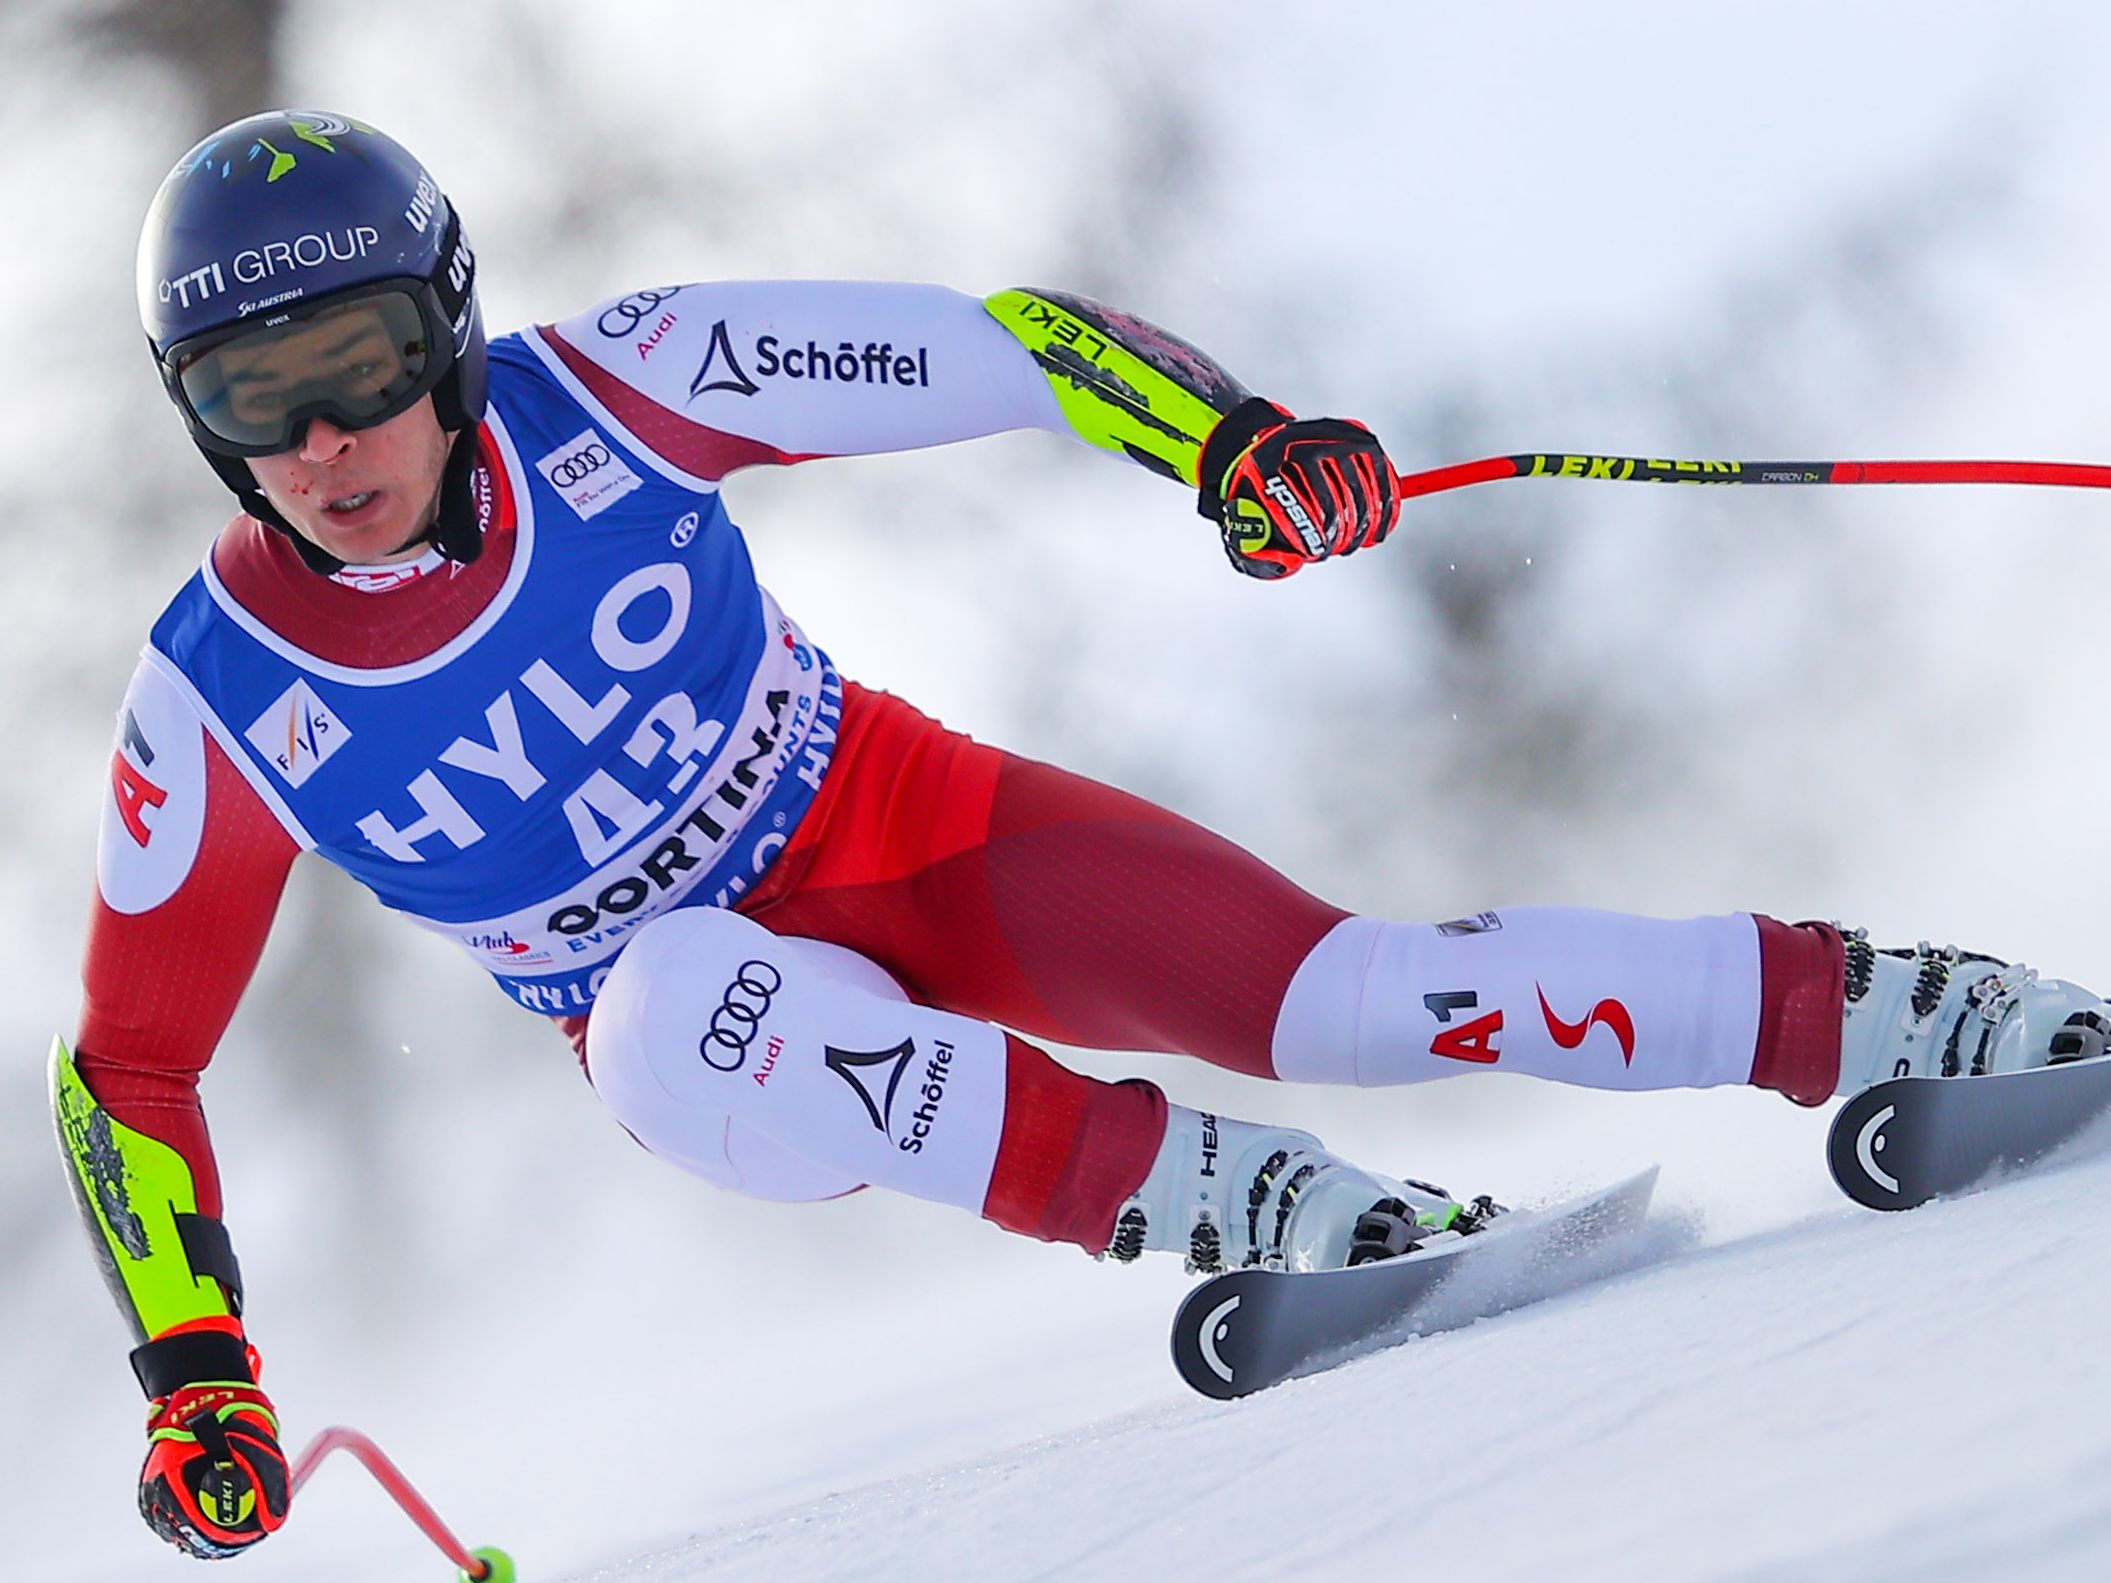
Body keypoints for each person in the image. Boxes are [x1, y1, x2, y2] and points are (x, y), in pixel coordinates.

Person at [58, 108, 2111, 1562]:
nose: (320, 440)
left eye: (358, 365)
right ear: (194, 412)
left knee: (1358, 995)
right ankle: (1251, 1207)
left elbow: (1013, 347)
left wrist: (1234, 441)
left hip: (911, 824)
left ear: (445, 328)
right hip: (716, 1043)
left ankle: (1905, 1012)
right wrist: (199, 1373)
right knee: (673, 1004)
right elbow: (128, 1067)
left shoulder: (624, 386)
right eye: (250, 395)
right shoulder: (217, 700)